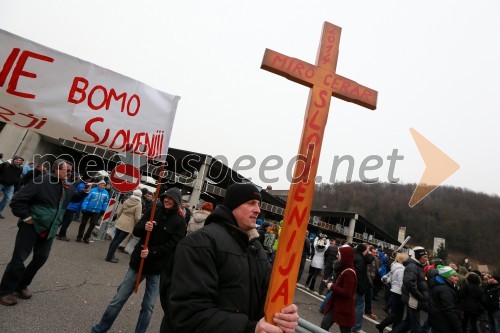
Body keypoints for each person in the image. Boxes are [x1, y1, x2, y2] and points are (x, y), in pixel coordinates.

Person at [169, 182, 299, 333]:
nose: (258, 210)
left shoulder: (256, 249)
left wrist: (283, 315)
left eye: (258, 204)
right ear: (233, 206)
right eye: (251, 203)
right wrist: (250, 328)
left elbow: (268, 294)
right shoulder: (201, 243)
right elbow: (188, 314)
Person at [91, 187, 186, 333]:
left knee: (148, 307)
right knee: (118, 299)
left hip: (157, 270)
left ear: (177, 202)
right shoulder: (154, 211)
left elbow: (174, 245)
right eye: (166, 197)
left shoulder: (180, 222)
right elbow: (136, 230)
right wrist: (144, 227)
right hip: (138, 264)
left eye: (171, 198)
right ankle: (99, 329)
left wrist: (152, 252)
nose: (167, 200)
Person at [0, 159, 88, 306]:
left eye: (71, 171)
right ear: (56, 170)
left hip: (50, 230)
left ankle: (21, 285)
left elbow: (73, 196)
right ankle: (5, 291)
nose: (69, 173)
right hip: (31, 227)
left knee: (41, 258)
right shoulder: (41, 181)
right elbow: (17, 200)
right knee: (19, 259)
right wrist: (26, 217)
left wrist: (84, 192)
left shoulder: (67, 185)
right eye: (67, 170)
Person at [392, 246, 429, 333]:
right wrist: (419, 295)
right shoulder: (413, 266)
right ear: (418, 257)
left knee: (408, 322)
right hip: (413, 300)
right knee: (416, 326)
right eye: (425, 257)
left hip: (414, 299)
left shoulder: (417, 266)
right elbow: (409, 282)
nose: (427, 259)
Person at [320, 245, 357, 333]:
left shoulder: (349, 273)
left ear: (345, 256)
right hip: (337, 304)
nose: (337, 256)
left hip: (344, 308)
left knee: (345, 330)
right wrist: (329, 283)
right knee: (324, 325)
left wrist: (331, 286)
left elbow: (348, 293)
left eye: (338, 254)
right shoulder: (344, 269)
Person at [105, 189, 143, 263]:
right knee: (118, 242)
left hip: (121, 221)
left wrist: (119, 219)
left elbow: (119, 212)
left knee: (115, 239)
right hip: (128, 224)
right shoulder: (138, 204)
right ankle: (109, 257)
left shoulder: (127, 200)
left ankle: (110, 255)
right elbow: (137, 217)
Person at [376, 252, 409, 333]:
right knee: (398, 315)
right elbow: (401, 283)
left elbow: (387, 279)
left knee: (395, 314)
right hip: (399, 293)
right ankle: (390, 328)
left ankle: (382, 325)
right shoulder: (401, 269)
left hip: (395, 291)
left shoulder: (395, 266)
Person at [55, 175, 92, 241]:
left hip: (74, 206)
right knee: (67, 221)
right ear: (86, 179)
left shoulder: (84, 184)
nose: (90, 180)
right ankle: (62, 235)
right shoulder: (77, 184)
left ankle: (53, 231)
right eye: (89, 179)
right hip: (71, 205)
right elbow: (71, 193)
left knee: (63, 220)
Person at [428, 265, 463, 333]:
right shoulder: (445, 290)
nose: (457, 278)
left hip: (437, 322)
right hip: (444, 325)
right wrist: (458, 327)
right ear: (447, 277)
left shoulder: (439, 285)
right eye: (454, 276)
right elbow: (449, 310)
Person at [352, 243, 373, 333]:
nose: (367, 252)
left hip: (355, 284)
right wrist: (361, 287)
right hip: (358, 285)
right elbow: (359, 274)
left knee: (353, 303)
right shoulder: (360, 259)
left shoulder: (357, 255)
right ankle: (356, 326)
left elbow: (369, 260)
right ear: (362, 251)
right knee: (360, 305)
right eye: (366, 250)